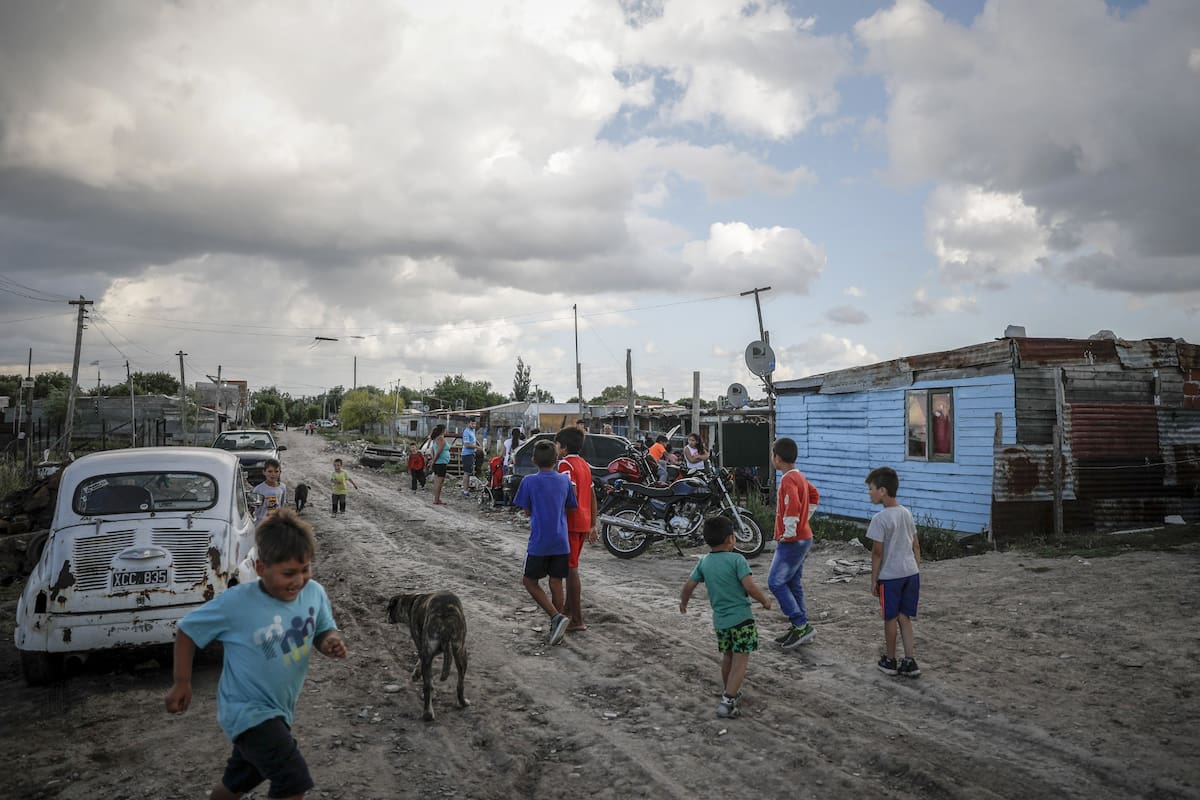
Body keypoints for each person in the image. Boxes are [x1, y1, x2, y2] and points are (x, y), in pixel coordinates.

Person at [165, 509, 348, 800]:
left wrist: (330, 641)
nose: (299, 580)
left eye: (305, 569)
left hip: (279, 711)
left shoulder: (314, 593)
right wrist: (182, 681)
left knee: (239, 780)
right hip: (246, 711)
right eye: (288, 573)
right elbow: (188, 630)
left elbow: (324, 629)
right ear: (261, 568)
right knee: (292, 779)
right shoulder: (237, 602)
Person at [679, 516, 772, 719]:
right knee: (741, 660)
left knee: (728, 656)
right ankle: (728, 701)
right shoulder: (737, 560)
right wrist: (764, 601)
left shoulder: (704, 562)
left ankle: (729, 691)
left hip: (720, 622)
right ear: (731, 539)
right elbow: (749, 586)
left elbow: (688, 586)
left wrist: (683, 603)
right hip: (742, 619)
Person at [512, 440, 577, 646]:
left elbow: (526, 510)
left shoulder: (529, 481)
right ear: (556, 460)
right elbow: (571, 507)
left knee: (529, 581)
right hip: (561, 540)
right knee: (556, 582)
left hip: (539, 541)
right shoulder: (565, 481)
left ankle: (555, 617)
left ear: (533, 460)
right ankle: (557, 624)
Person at [866, 466, 922, 678]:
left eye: (871, 489)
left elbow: (877, 553)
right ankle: (910, 661)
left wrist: (874, 580)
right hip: (910, 573)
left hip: (890, 577)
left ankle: (890, 660)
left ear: (882, 491)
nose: (869, 493)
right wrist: (915, 567)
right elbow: (916, 545)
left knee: (890, 618)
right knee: (904, 616)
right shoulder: (906, 513)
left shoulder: (880, 519)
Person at [767, 437, 820, 649]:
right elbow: (815, 495)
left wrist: (790, 530)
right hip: (804, 537)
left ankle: (799, 624)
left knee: (775, 582)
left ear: (777, 458)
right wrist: (804, 519)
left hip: (793, 540)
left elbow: (791, 506)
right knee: (792, 583)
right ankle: (801, 626)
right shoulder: (800, 476)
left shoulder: (788, 480)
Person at [555, 426, 598, 633]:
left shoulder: (565, 464)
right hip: (583, 521)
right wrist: (592, 524)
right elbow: (592, 496)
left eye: (557, 445)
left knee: (571, 569)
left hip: (570, 522)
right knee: (572, 566)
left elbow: (568, 492)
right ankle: (567, 611)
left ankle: (577, 619)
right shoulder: (584, 465)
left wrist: (558, 517)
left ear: (563, 447)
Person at [252, 459, 287, 524]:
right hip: (262, 524)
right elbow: (253, 509)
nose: (273, 474)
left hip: (277, 523)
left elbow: (282, 505)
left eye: (276, 471)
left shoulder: (282, 487)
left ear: (280, 472)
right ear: (264, 472)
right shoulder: (258, 490)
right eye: (270, 471)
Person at [429, 424, 451, 505]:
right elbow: (438, 451)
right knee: (439, 482)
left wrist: (432, 459)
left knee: (437, 481)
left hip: (439, 462)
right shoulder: (440, 438)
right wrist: (433, 461)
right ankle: (437, 499)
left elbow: (432, 450)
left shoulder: (435, 439)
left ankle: (436, 498)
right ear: (443, 430)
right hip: (440, 463)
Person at [460, 419, 482, 496]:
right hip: (467, 454)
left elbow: (474, 440)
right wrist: (476, 447)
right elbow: (466, 444)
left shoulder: (472, 431)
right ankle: (465, 490)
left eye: (475, 424)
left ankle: (466, 488)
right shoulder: (466, 432)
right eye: (472, 424)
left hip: (472, 453)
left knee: (469, 472)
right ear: (469, 423)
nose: (474, 425)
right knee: (467, 472)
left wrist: (479, 445)